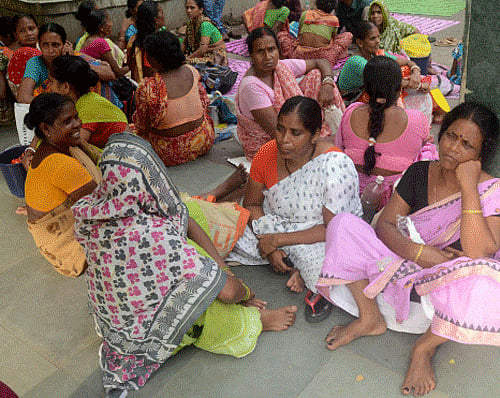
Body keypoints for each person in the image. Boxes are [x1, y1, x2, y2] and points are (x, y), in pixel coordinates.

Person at [72, 131, 298, 394]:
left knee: (188, 213)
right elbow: (228, 294)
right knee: (204, 300)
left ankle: (217, 257)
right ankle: (256, 321)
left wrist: (224, 271)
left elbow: (182, 215)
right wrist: (243, 291)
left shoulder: (95, 211)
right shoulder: (153, 235)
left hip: (117, 324)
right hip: (144, 336)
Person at [317, 101, 500, 396]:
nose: (453, 148)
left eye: (467, 145)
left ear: (481, 154)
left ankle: (425, 347)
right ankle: (369, 317)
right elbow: (385, 225)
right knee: (342, 225)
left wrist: (468, 189)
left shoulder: (491, 191)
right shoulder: (419, 172)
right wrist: (420, 254)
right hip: (400, 264)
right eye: (451, 136)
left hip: (442, 294)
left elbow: (479, 253)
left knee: (482, 276)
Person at [227, 96, 362, 322]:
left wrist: (277, 241)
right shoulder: (267, 153)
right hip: (277, 221)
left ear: (315, 135)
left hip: (323, 230)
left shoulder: (333, 164)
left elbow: (333, 229)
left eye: (295, 133)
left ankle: (302, 268)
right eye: (280, 130)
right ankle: (291, 262)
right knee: (231, 233)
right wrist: (268, 243)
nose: (284, 140)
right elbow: (251, 204)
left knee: (330, 259)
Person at [236, 27, 344, 160]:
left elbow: (321, 62)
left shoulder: (280, 67)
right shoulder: (251, 87)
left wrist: (327, 83)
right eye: (260, 52)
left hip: (296, 126)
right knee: (333, 150)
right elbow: (279, 135)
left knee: (317, 75)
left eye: (271, 50)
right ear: (251, 56)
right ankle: (334, 135)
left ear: (278, 51)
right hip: (272, 144)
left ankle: (336, 129)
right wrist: (324, 142)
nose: (268, 57)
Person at [336, 56, 432, 204]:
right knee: (429, 150)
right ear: (400, 88)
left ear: (366, 88)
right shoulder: (416, 119)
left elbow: (338, 151)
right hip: (396, 203)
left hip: (350, 196)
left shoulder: (350, 112)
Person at [24, 93, 101, 277]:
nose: (78, 124)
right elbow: (103, 209)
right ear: (46, 129)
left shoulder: (58, 146)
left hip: (53, 245)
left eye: (76, 117)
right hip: (69, 251)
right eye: (67, 121)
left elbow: (101, 158)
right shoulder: (59, 164)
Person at [133, 30, 215, 166]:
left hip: (168, 152)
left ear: (155, 59)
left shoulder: (148, 87)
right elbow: (204, 104)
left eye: (148, 56)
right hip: (203, 140)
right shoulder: (191, 71)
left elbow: (142, 126)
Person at [337, 21, 433, 123]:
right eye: (372, 39)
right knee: (391, 86)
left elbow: (406, 62)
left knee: (403, 70)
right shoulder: (356, 61)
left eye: (378, 37)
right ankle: (398, 121)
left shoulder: (376, 54)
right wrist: (419, 85)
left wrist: (416, 72)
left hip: (371, 89)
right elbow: (386, 82)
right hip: (352, 99)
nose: (378, 41)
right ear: (360, 43)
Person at [50, 55, 129, 149]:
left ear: (66, 87)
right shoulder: (84, 101)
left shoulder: (88, 107)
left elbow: (74, 145)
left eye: (51, 82)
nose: (49, 87)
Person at [278, 0, 353, 67]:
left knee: (281, 35)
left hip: (299, 55)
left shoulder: (306, 13)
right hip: (323, 59)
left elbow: (299, 35)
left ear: (317, 3)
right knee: (348, 35)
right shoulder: (334, 19)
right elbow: (333, 40)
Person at [17, 23, 67, 104]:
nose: (50, 50)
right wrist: (53, 106)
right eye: (45, 45)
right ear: (39, 45)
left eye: (55, 45)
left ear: (64, 45)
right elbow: (23, 97)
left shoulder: (72, 59)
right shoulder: (36, 62)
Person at [77, 9, 129, 78]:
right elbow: (118, 72)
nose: (112, 24)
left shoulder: (88, 40)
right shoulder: (100, 43)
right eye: (109, 21)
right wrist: (132, 65)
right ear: (101, 27)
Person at [127, 0, 165, 83]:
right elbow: (153, 71)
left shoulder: (133, 39)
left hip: (138, 85)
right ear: (156, 20)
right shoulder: (156, 42)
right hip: (153, 87)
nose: (164, 15)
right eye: (162, 12)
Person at [182, 0, 228, 66]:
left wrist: (187, 59)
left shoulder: (205, 24)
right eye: (187, 8)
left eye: (192, 8)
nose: (188, 11)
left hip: (216, 54)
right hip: (204, 52)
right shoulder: (190, 24)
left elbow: (203, 49)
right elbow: (185, 43)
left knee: (190, 63)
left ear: (201, 10)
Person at [6, 14, 40, 99]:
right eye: (22, 31)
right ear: (16, 35)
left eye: (31, 29)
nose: (28, 34)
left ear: (38, 29)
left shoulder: (45, 47)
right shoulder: (21, 54)